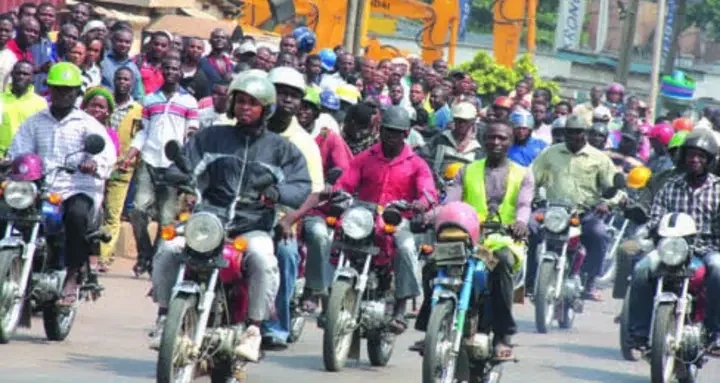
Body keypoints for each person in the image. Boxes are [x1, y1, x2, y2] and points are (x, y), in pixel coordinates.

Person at [147, 60, 311, 365]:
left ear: (266, 108)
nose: (245, 107)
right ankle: (164, 315)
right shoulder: (211, 137)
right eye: (241, 101)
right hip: (209, 220)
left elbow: (301, 184)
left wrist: (278, 194)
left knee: (264, 260)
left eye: (253, 103)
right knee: (169, 248)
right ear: (232, 104)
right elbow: (186, 163)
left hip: (252, 226)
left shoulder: (281, 149)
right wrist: (175, 174)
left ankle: (253, 328)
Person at [411, 120, 534, 360]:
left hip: (503, 240)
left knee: (503, 264)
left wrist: (520, 223)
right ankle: (430, 328)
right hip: (467, 237)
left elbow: (524, 205)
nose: (496, 142)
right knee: (432, 266)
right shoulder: (467, 170)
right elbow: (449, 202)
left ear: (510, 142)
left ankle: (502, 336)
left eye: (502, 138)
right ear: (483, 140)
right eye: (491, 137)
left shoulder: (523, 174)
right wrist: (427, 217)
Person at [8, 62, 117, 305]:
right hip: (41, 188)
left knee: (77, 216)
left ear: (77, 93)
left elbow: (106, 154)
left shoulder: (87, 124)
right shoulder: (34, 122)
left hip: (77, 187)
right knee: (9, 211)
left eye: (69, 90)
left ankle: (72, 274)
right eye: (58, 89)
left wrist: (93, 164)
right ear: (49, 90)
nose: (63, 94)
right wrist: (13, 164)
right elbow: (20, 150)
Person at [331, 106, 437, 333]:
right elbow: (346, 182)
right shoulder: (365, 158)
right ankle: (323, 297)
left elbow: (428, 191)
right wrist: (338, 192)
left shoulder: (417, 163)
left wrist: (420, 203)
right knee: (336, 233)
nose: (390, 136)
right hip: (365, 218)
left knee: (406, 246)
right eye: (387, 130)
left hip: (396, 221)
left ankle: (400, 308)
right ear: (379, 130)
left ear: (406, 134)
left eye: (396, 132)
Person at [627, 129, 720, 355]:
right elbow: (655, 216)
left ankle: (714, 332)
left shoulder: (718, 189)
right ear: (683, 157)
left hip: (707, 249)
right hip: (670, 248)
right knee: (640, 270)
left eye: (701, 155)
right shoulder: (670, 185)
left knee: (718, 270)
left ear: (709, 160)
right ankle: (638, 332)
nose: (695, 160)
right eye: (690, 155)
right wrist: (647, 234)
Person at [262, 67, 324, 349]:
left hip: (279, 217)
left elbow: (315, 191)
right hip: (239, 210)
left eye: (294, 95)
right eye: (281, 92)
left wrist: (290, 219)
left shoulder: (304, 142)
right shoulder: (248, 124)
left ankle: (276, 326)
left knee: (286, 255)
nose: (287, 100)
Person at [120, 55, 199, 276]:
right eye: (167, 68)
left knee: (166, 219)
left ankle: (154, 259)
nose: (171, 71)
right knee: (137, 210)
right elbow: (143, 131)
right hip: (149, 159)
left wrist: (186, 160)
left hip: (173, 165)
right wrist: (130, 154)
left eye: (175, 68)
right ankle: (144, 253)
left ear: (180, 72)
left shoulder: (189, 101)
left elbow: (192, 133)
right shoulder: (150, 99)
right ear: (162, 71)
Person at [528, 115, 619, 300]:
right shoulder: (550, 153)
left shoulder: (599, 159)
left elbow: (613, 189)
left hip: (584, 213)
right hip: (553, 211)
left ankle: (590, 282)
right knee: (531, 229)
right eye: (569, 132)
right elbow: (531, 179)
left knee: (599, 233)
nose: (573, 136)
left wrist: (606, 202)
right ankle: (530, 281)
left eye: (578, 132)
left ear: (585, 134)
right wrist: (531, 198)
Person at [100, 67, 142, 269]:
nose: (122, 82)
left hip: (122, 166)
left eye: (126, 79)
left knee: (112, 212)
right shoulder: (104, 104)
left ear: (132, 83)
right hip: (98, 165)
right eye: (119, 78)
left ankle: (104, 256)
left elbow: (139, 138)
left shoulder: (137, 110)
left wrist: (129, 159)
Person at [421, 101, 483, 176]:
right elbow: (424, 156)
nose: (461, 124)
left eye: (465, 121)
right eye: (458, 120)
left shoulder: (476, 148)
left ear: (472, 122)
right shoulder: (441, 138)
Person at [0, 60, 47, 153]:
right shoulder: (1, 99)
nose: (21, 77)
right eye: (18, 73)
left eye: (25, 74)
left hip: (27, 159)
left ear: (32, 78)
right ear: (12, 74)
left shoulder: (40, 103)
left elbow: (43, 134)